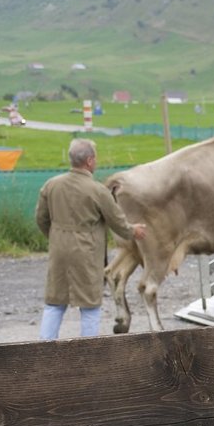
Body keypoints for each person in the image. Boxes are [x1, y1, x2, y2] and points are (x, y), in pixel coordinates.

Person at [35, 139, 146, 340]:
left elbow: (40, 218)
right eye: (94, 158)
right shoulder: (97, 190)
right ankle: (89, 353)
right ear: (88, 161)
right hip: (86, 253)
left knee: (55, 302)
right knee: (89, 305)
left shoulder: (51, 185)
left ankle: (43, 349)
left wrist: (56, 237)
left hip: (58, 250)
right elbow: (117, 222)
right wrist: (134, 231)